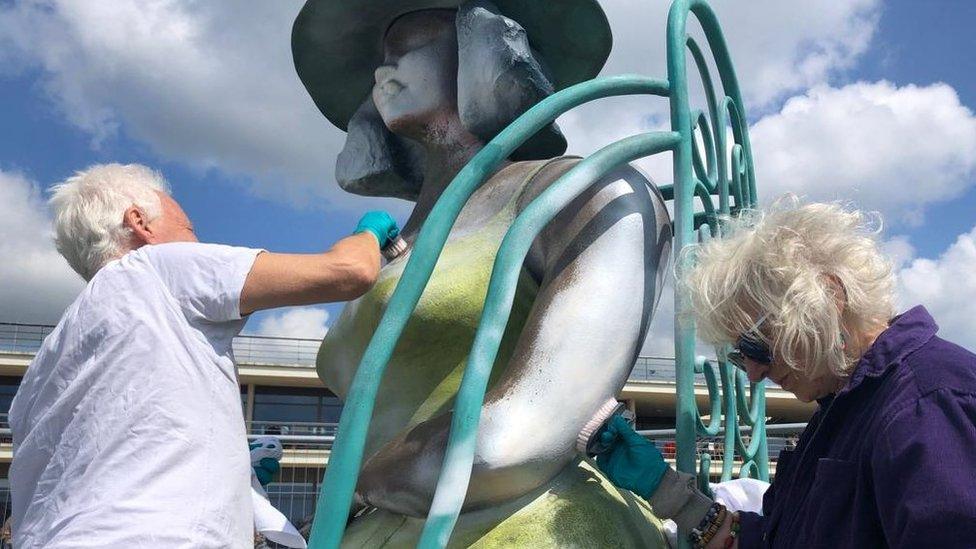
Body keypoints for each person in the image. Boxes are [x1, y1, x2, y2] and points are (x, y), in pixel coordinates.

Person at [292, 0, 672, 545]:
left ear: (483, 48)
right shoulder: (390, 246)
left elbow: (522, 432)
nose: (383, 72)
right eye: (381, 60)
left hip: (529, 525)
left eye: (409, 48)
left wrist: (363, 484)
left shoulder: (580, 193)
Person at [8, 163, 399, 548]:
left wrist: (232, 470)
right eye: (189, 229)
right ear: (139, 222)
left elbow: (114, 450)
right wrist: (369, 233)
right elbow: (348, 271)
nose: (197, 240)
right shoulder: (154, 268)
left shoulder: (50, 359)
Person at [596, 199, 976, 548]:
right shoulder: (845, 411)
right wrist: (670, 494)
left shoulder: (927, 403)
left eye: (756, 345)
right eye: (740, 357)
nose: (756, 374)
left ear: (828, 298)